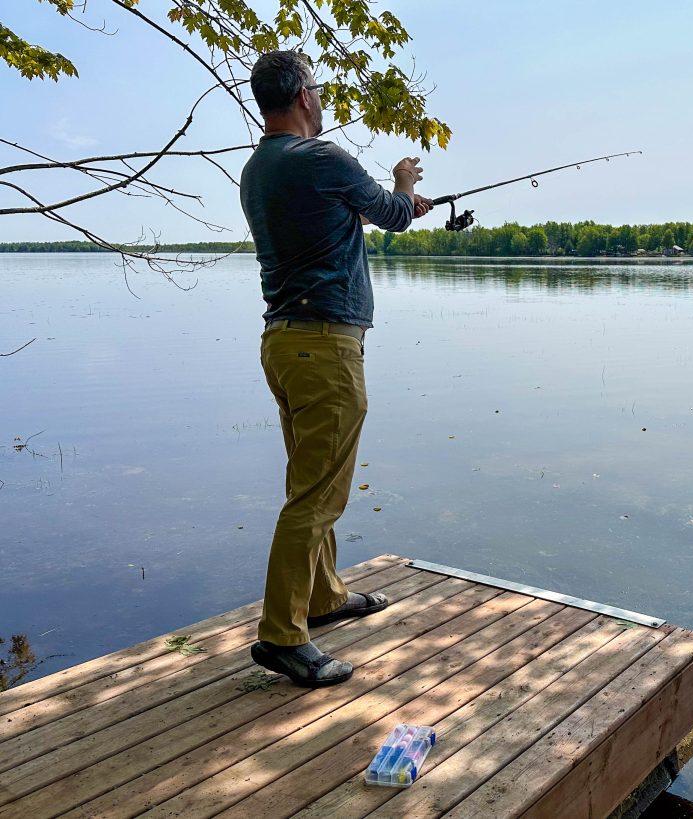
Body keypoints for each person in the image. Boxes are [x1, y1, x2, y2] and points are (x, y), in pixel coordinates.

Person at [239, 50, 432, 687]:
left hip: (284, 343)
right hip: (324, 346)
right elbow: (395, 215)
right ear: (299, 96)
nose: (321, 100)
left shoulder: (258, 169)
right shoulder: (322, 160)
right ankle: (281, 635)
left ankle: (321, 599)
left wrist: (393, 202)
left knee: (309, 479)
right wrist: (404, 181)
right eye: (316, 90)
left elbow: (344, 218)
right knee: (319, 493)